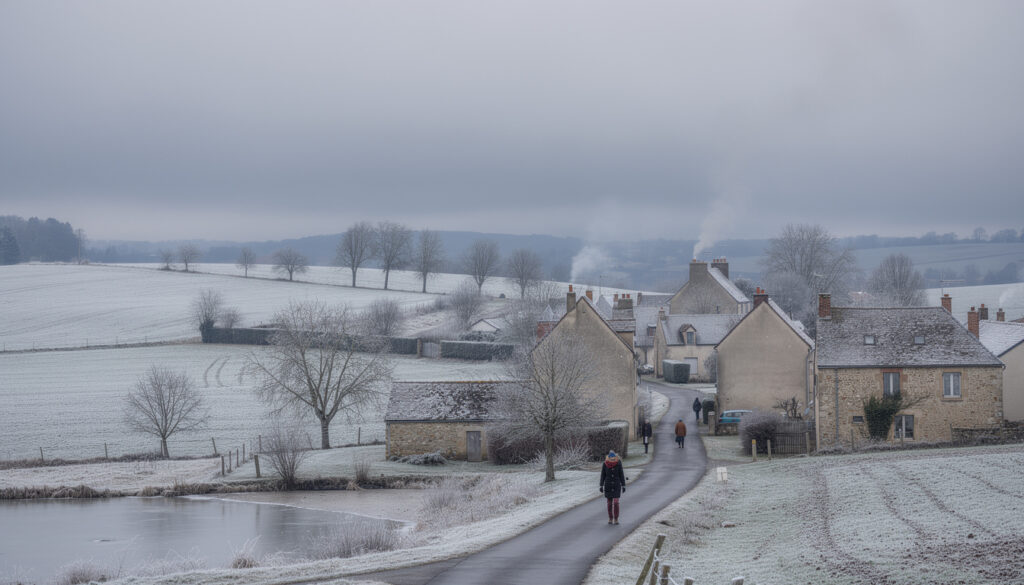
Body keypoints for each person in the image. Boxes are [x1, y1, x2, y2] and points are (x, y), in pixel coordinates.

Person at [599, 450, 626, 524]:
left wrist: (623, 485)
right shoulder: (605, 464)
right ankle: (610, 518)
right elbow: (603, 475)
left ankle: (616, 518)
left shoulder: (618, 463)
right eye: (611, 458)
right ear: (608, 457)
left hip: (616, 485)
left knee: (616, 502)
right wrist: (601, 485)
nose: (612, 459)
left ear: (615, 457)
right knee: (609, 503)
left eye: (613, 458)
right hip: (608, 485)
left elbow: (621, 474)